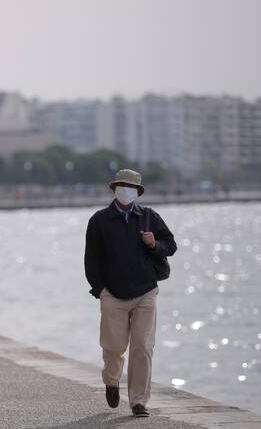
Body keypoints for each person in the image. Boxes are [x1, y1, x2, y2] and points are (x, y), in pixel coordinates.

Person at [84, 169, 177, 418]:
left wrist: (154, 244)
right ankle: (111, 380)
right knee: (113, 347)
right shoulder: (99, 220)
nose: (126, 189)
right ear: (114, 188)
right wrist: (100, 289)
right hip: (112, 294)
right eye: (122, 185)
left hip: (146, 292)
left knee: (143, 347)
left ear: (138, 191)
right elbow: (91, 260)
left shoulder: (149, 217)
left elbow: (171, 245)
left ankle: (138, 401)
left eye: (131, 186)